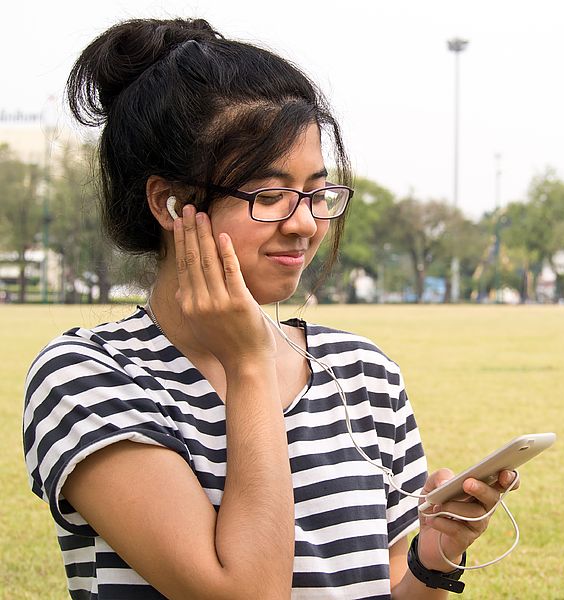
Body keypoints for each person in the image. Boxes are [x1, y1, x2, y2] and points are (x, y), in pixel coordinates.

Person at [23, 18, 518, 599]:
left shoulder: (363, 372)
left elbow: (379, 584)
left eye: (315, 192)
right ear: (169, 202)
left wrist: (433, 559)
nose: (305, 223)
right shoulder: (90, 377)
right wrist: (250, 365)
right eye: (267, 195)